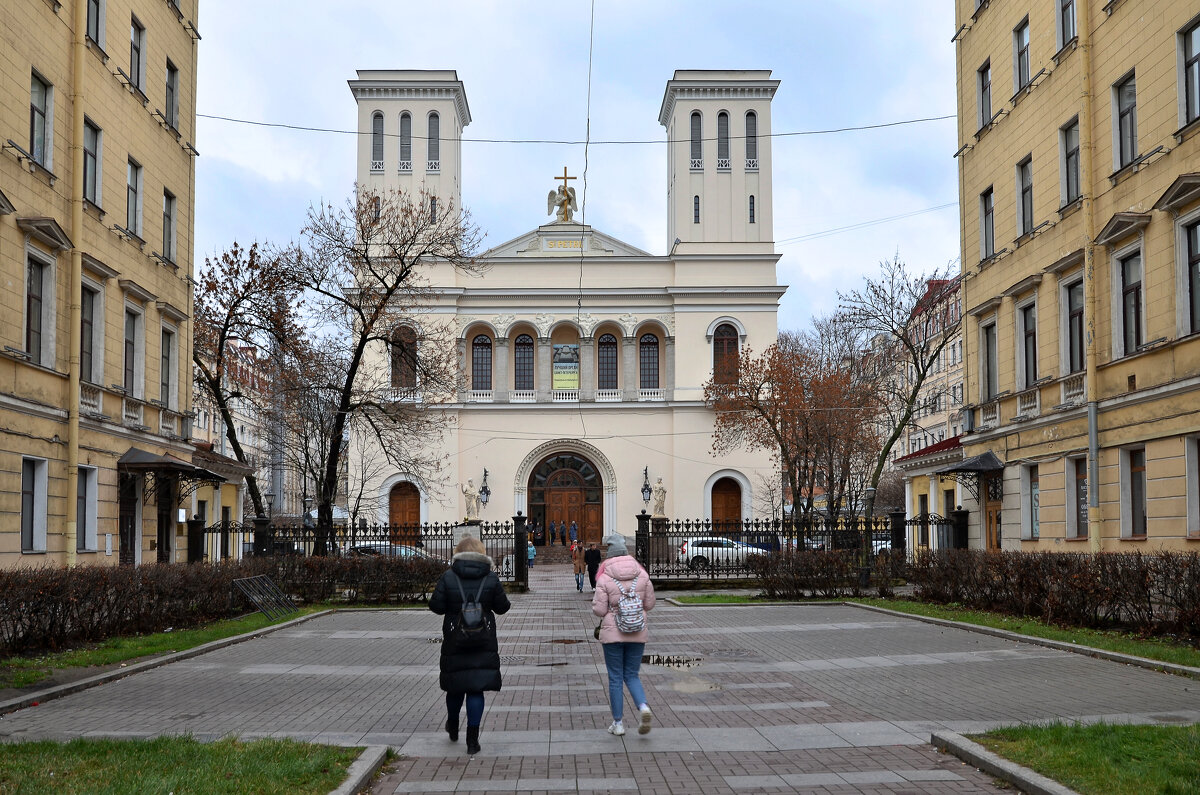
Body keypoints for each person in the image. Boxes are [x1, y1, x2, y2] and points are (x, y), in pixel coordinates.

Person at [429, 535, 511, 755]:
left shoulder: (449, 576)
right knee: (476, 689)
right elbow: (503, 607)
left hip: (455, 638)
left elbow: (436, 606)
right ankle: (472, 740)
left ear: (458, 552)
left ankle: (453, 726)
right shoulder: (490, 578)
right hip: (482, 640)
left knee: (455, 686)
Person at [592, 534, 655, 737]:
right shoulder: (642, 575)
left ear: (609, 555)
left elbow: (600, 611)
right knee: (632, 674)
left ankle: (618, 723)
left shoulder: (604, 577)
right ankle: (643, 707)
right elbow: (650, 604)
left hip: (613, 633)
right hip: (637, 630)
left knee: (615, 677)